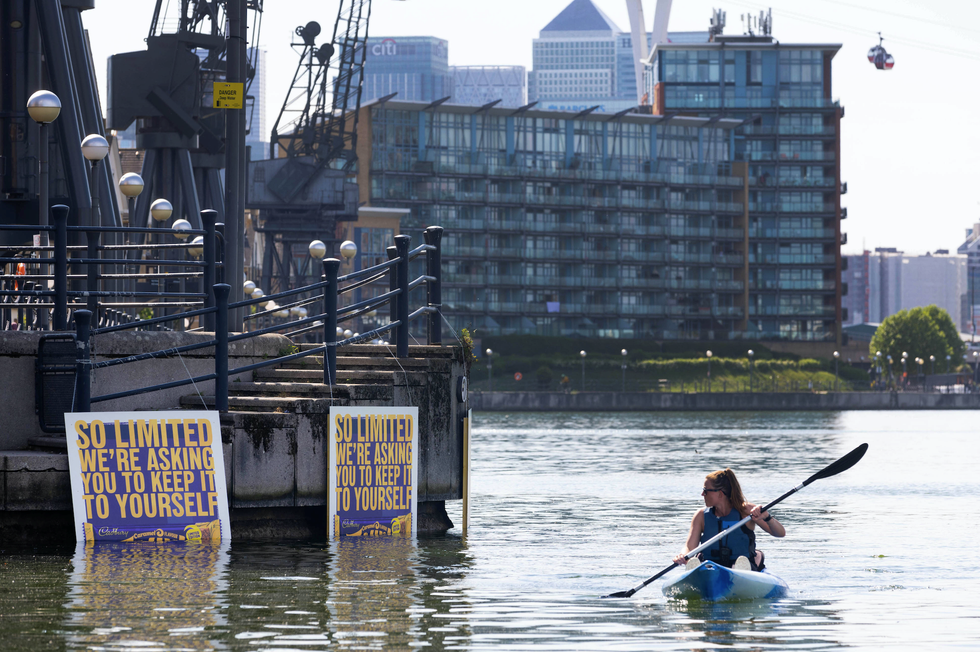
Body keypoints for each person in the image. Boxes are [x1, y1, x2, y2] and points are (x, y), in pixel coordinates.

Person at [672, 468, 785, 572]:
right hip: (711, 567)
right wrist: (682, 555)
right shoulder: (701, 516)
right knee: (700, 562)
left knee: (739, 564)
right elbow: (689, 547)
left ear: (720, 493)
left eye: (706, 490)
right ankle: (697, 569)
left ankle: (740, 571)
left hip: (742, 565)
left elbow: (780, 533)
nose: (702, 494)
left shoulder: (746, 511)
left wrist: (767, 517)